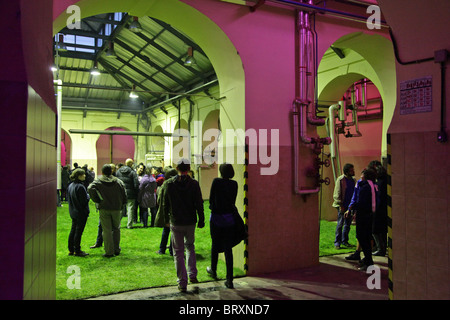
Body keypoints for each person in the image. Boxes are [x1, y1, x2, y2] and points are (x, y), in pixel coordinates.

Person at [160, 159, 205, 292]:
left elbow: (165, 203)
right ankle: (192, 274)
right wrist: (201, 219)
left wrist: (165, 219)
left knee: (178, 252)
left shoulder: (169, 183)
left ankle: (182, 282)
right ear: (189, 168)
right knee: (190, 247)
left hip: (176, 221)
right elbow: (199, 203)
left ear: (177, 168)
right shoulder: (194, 184)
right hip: (190, 220)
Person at [207, 163, 238, 289]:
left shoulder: (216, 182)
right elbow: (233, 201)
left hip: (216, 218)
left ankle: (213, 270)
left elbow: (210, 199)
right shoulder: (234, 184)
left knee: (215, 244)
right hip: (229, 218)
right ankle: (229, 278)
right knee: (228, 248)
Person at [88, 164, 127, 257]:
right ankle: (116, 249)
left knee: (106, 230)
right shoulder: (118, 182)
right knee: (116, 229)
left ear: (102, 172)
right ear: (112, 171)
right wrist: (122, 203)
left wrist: (97, 200)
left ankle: (109, 251)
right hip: (117, 208)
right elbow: (124, 194)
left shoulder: (98, 181)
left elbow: (90, 188)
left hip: (104, 207)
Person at [352, 168, 378, 271]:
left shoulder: (365, 187)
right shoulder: (374, 186)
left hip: (364, 215)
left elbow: (361, 202)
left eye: (362, 175)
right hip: (370, 215)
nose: (360, 176)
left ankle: (368, 261)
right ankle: (367, 259)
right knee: (366, 237)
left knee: (362, 237)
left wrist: (354, 210)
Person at [67, 168, 90, 257]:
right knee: (78, 232)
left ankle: (71, 249)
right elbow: (84, 201)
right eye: (83, 174)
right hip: (80, 212)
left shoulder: (71, 185)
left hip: (73, 211)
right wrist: (88, 196)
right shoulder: (80, 187)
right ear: (79, 176)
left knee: (73, 230)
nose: (84, 176)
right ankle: (77, 250)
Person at [154, 167, 178, 255]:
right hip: (175, 211)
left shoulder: (165, 185)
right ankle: (171, 250)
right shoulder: (178, 185)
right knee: (173, 232)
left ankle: (162, 249)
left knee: (166, 230)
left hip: (167, 211)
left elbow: (160, 199)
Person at [332, 163, 356, 249]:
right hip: (342, 205)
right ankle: (337, 242)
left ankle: (344, 240)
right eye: (351, 170)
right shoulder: (341, 180)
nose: (353, 171)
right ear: (347, 171)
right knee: (340, 223)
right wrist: (340, 205)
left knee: (348, 224)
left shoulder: (353, 180)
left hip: (350, 206)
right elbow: (337, 193)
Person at [369, 160, 388, 256]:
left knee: (375, 229)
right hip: (384, 209)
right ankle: (382, 247)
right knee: (383, 230)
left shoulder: (379, 182)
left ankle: (380, 248)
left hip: (378, 209)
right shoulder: (385, 180)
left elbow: (378, 196)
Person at [116, 158, 139, 228]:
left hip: (121, 193)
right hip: (131, 193)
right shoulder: (132, 172)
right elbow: (136, 183)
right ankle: (129, 225)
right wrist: (136, 191)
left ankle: (117, 224)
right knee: (130, 209)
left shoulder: (118, 171)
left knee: (121, 209)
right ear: (131, 164)